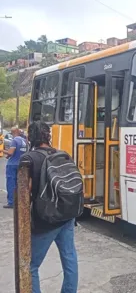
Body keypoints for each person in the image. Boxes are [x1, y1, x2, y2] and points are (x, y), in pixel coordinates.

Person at [20, 121, 78, 293]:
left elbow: (24, 193)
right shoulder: (62, 154)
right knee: (69, 258)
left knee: (31, 265)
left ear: (30, 137)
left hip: (46, 219)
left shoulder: (29, 158)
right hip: (67, 215)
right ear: (48, 136)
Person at [3, 126, 28, 209]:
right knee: (20, 183)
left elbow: (10, 152)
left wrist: (2, 151)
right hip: (21, 164)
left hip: (12, 165)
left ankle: (11, 202)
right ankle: (21, 201)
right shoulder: (24, 141)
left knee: (11, 183)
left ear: (13, 133)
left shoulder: (15, 140)